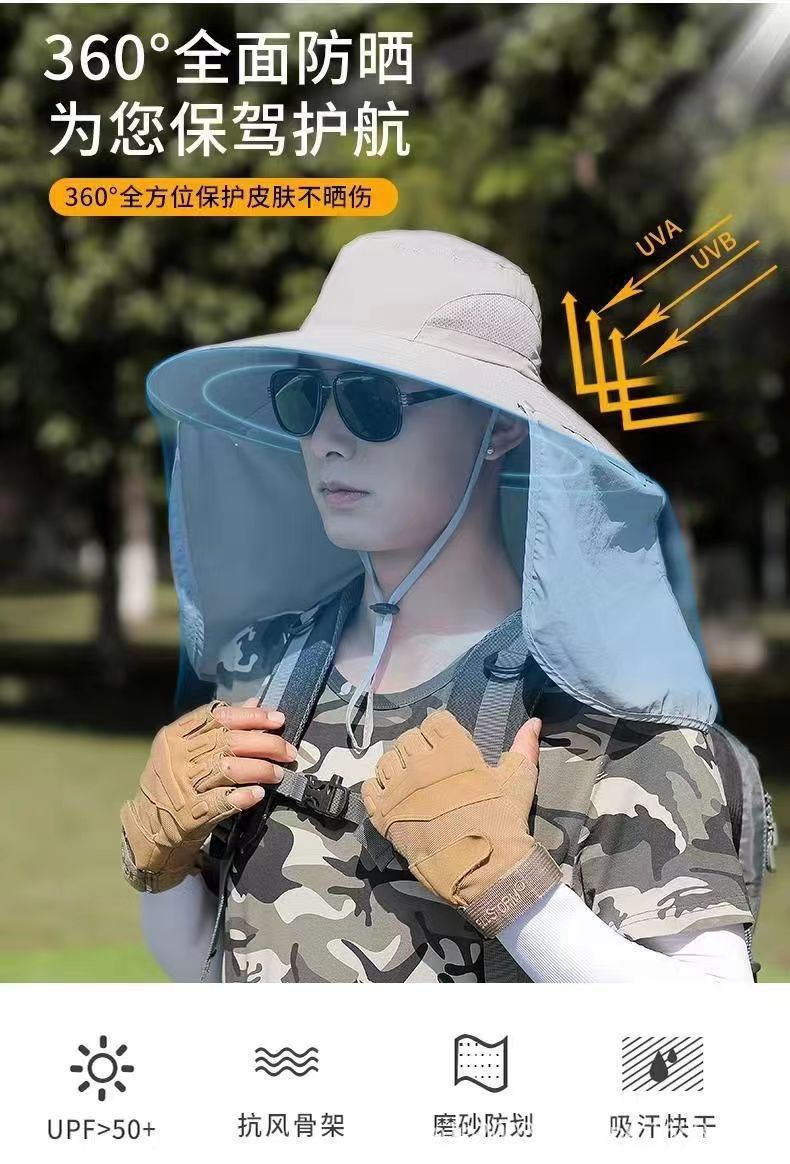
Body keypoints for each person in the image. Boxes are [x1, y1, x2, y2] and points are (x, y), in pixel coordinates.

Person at [121, 229, 755, 983]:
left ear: (500, 426)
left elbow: (716, 1028)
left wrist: (518, 898)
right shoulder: (267, 671)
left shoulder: (605, 706)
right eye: (306, 399)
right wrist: (163, 871)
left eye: (370, 401)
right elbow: (214, 967)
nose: (325, 439)